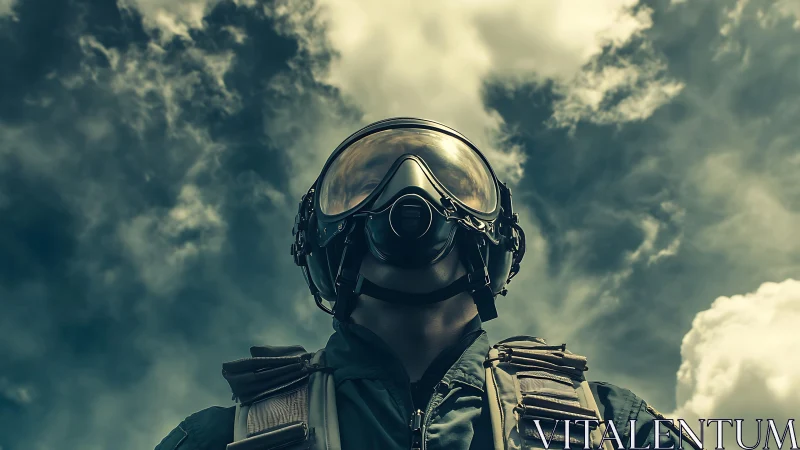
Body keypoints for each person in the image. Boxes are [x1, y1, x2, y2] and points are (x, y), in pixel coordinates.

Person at [155, 118, 695, 450]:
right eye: (362, 186)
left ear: (499, 235)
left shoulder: (609, 425)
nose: (412, 196)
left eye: (457, 186)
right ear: (318, 239)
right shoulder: (219, 441)